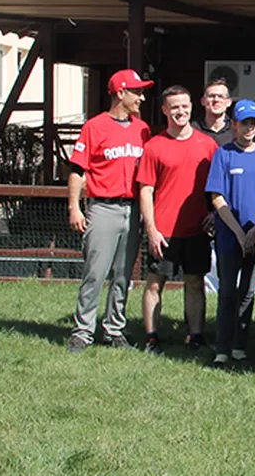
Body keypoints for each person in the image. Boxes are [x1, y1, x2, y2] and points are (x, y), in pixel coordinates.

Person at [66, 69, 153, 353]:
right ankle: (83, 331)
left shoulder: (142, 129)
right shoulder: (95, 126)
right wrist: (74, 208)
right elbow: (78, 170)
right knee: (95, 272)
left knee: (123, 274)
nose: (141, 97)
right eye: (136, 92)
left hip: (132, 208)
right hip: (103, 206)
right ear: (120, 93)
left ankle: (114, 329)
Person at [133, 85, 218, 356]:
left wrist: (214, 213)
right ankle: (151, 337)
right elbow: (145, 190)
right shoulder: (154, 146)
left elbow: (218, 186)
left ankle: (195, 336)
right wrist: (152, 229)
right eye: (174, 107)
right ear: (164, 110)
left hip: (197, 229)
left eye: (185, 106)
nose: (180, 111)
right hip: (164, 231)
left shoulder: (208, 144)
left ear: (192, 106)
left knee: (195, 282)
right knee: (155, 283)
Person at [206, 100, 255, 365]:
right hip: (229, 235)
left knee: (247, 291)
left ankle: (240, 344)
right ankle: (223, 346)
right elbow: (217, 197)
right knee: (228, 291)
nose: (249, 128)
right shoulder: (224, 154)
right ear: (234, 124)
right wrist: (238, 233)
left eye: (253, 123)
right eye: (244, 122)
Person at [191, 78, 234, 146]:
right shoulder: (192, 130)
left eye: (220, 96)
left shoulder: (236, 129)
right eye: (211, 96)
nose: (216, 100)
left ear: (229, 102)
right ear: (203, 101)